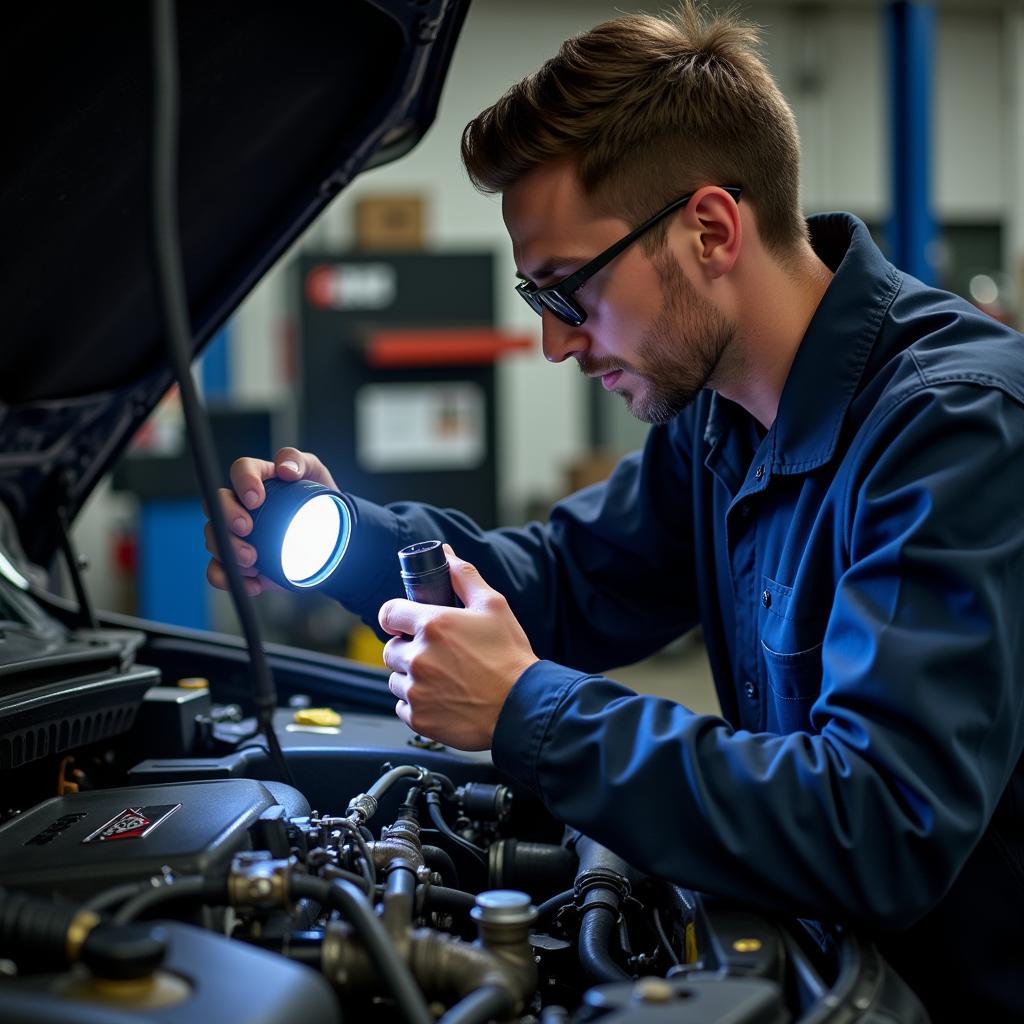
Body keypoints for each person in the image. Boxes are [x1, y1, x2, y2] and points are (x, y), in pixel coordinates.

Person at [204, 3, 1024, 1018]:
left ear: (710, 229)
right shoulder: (722, 419)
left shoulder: (953, 430)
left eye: (566, 292)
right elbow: (565, 581)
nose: (556, 344)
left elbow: (879, 822)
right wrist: (341, 544)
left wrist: (528, 710)